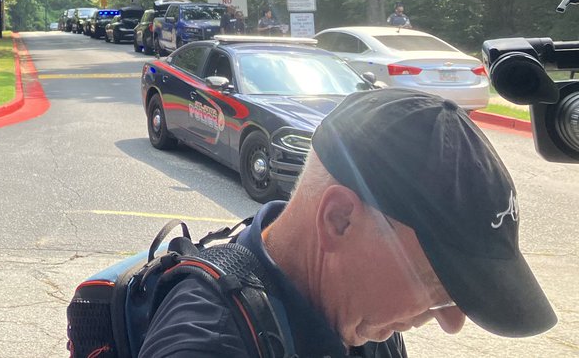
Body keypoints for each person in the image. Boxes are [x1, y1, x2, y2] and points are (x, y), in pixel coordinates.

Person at [139, 88, 556, 358]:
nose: (452, 322)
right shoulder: (206, 342)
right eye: (437, 284)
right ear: (339, 220)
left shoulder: (359, 316)